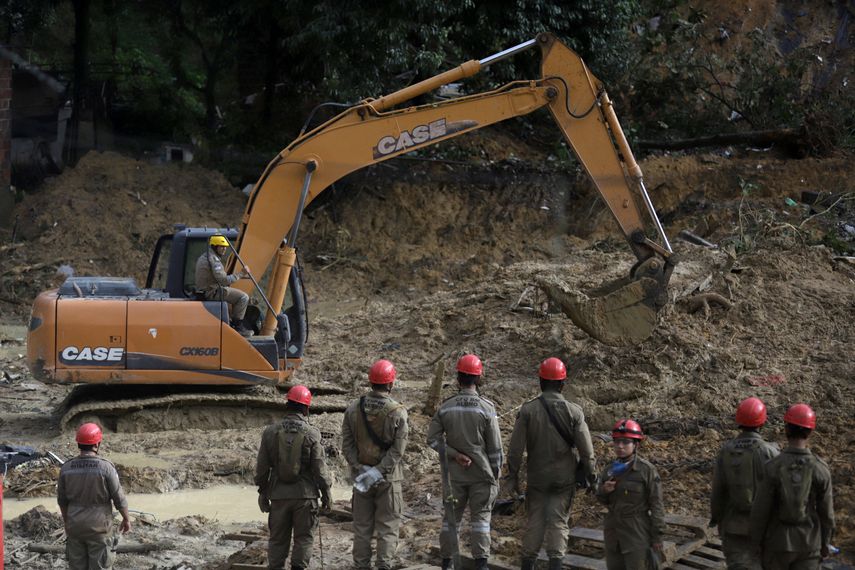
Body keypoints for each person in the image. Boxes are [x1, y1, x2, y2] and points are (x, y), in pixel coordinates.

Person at [506, 357, 597, 570]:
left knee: (534, 524)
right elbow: (587, 452)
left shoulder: (528, 411)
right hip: (563, 479)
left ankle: (528, 565)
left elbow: (515, 451)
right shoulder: (574, 412)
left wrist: (512, 479)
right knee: (558, 523)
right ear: (563, 384)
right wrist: (592, 477)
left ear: (540, 381)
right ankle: (556, 564)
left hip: (537, 480)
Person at [426, 354, 503, 570]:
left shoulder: (446, 407)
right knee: (480, 521)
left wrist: (453, 454)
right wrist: (496, 474)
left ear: (458, 378)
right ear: (478, 378)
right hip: (482, 475)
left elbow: (431, 439)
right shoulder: (487, 408)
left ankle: (447, 563)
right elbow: (496, 449)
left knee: (451, 519)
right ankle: (481, 564)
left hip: (454, 476)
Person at [341, 359, 409, 570]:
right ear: (391, 383)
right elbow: (398, 451)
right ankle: (384, 565)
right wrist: (379, 471)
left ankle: (361, 566)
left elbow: (347, 444)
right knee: (388, 528)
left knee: (362, 528)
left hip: (362, 478)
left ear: (370, 382)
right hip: (388, 480)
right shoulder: (398, 412)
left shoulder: (353, 409)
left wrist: (360, 468)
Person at [255, 385, 332, 570]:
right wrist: (326, 492)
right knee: (304, 539)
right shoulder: (312, 433)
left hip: (279, 496)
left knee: (277, 540)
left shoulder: (270, 432)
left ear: (287, 406)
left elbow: (262, 469)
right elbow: (320, 469)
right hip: (305, 498)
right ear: (306, 409)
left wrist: (262, 492)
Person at [750, 403, 834, 570]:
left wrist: (755, 544)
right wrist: (825, 543)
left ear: (786, 430)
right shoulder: (820, 469)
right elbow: (827, 514)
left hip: (777, 543)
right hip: (809, 545)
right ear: (810, 432)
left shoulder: (773, 467)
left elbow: (760, 511)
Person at [710, 397, 779, 569]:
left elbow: (718, 491)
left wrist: (716, 518)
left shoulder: (726, 451)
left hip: (734, 526)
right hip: (764, 528)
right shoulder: (771, 452)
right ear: (762, 422)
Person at [57, 422, 130, 570]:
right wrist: (126, 519)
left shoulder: (66, 468)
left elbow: (62, 501)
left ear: (79, 443)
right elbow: (119, 498)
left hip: (75, 527)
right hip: (99, 528)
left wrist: (68, 523)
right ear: (97, 444)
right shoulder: (106, 468)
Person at [596, 419, 665, 570]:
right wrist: (604, 490)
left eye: (626, 442)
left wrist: (657, 536)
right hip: (613, 532)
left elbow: (657, 504)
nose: (620, 446)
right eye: (617, 442)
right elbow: (601, 499)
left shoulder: (646, 470)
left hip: (636, 531)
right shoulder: (609, 470)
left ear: (636, 445)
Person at [195, 234, 253, 335]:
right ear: (214, 246)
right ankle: (238, 327)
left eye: (225, 247)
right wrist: (241, 273)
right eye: (221, 247)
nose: (224, 249)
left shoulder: (205, 257)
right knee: (243, 297)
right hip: (212, 292)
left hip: (206, 291)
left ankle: (232, 321)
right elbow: (224, 280)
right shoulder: (214, 260)